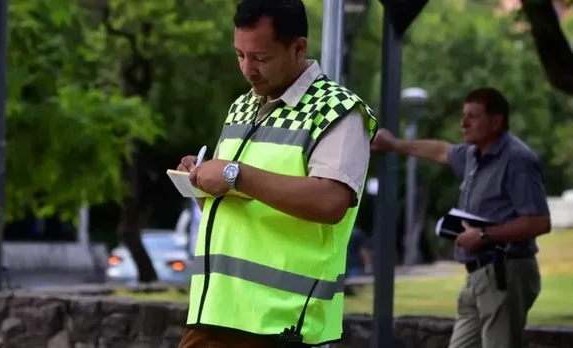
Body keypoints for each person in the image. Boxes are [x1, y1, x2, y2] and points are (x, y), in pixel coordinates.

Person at [175, 0, 377, 346]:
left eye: (261, 57)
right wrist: (200, 182)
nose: (248, 69)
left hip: (282, 326)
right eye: (240, 55)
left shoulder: (339, 111)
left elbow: (331, 202)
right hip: (214, 316)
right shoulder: (242, 106)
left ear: (298, 47)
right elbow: (232, 210)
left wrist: (235, 174)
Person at [371, 87, 551, 348]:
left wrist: (484, 235)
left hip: (506, 273)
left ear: (496, 121)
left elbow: (539, 222)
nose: (463, 123)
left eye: (472, 116)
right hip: (477, 276)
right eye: (463, 115)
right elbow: (440, 151)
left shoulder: (518, 160)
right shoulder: (472, 155)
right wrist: (393, 144)